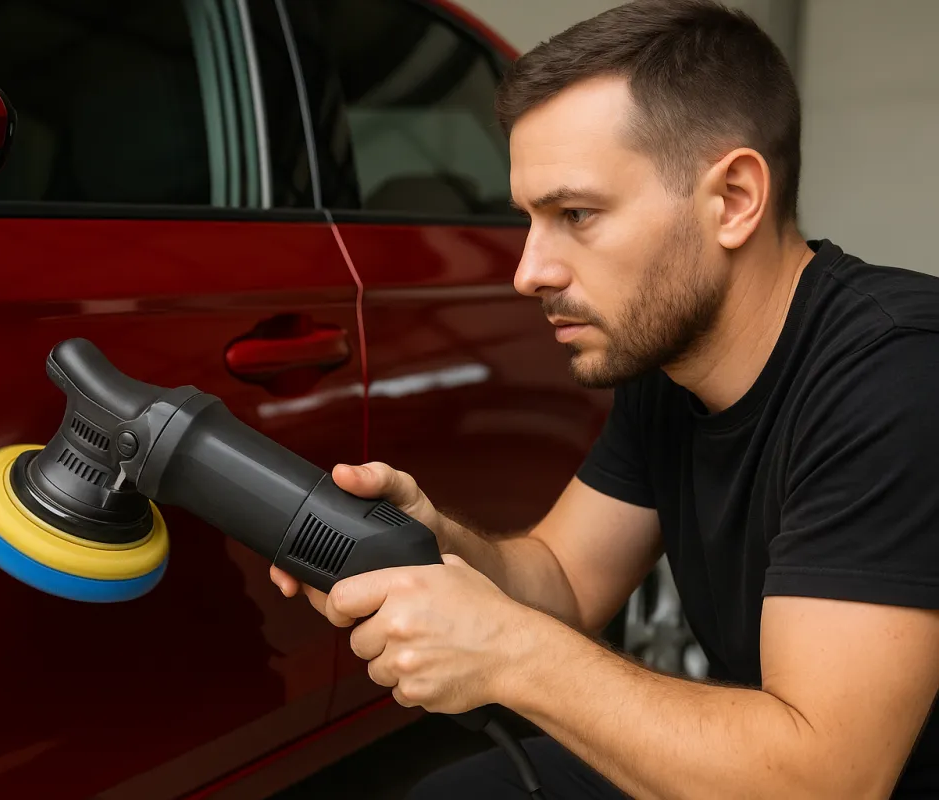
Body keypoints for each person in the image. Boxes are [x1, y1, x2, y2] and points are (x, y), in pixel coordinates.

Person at [269, 0, 939, 797]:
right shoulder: (673, 366)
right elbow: (564, 579)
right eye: (529, 219)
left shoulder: (899, 372)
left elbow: (826, 779)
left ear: (732, 200)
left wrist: (508, 651)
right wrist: (439, 542)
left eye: (575, 214)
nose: (528, 272)